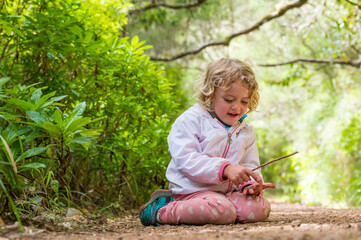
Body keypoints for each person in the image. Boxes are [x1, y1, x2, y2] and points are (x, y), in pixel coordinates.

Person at [140, 58, 275, 226]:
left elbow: (249, 164)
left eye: (244, 101)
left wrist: (250, 185)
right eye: (228, 99)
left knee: (259, 208)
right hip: (192, 192)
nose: (237, 107)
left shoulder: (246, 131)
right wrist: (225, 169)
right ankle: (161, 211)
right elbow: (186, 159)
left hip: (227, 194)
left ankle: (226, 209)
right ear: (210, 94)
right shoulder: (190, 120)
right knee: (221, 211)